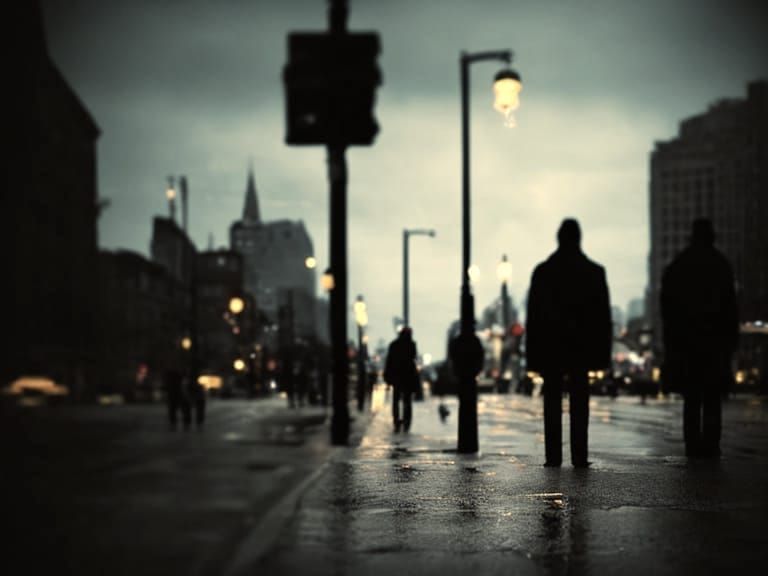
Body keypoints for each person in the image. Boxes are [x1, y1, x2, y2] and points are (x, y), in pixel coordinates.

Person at [526, 218, 612, 467]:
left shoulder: (542, 272)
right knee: (579, 401)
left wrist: (532, 357)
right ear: (578, 239)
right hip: (581, 347)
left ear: (559, 238)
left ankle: (553, 456)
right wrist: (602, 355)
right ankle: (579, 455)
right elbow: (603, 319)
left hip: (551, 347)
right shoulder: (594, 272)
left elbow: (534, 319)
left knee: (551, 401)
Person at [661, 218, 738, 458]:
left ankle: (692, 446)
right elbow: (730, 308)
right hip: (714, 344)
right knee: (712, 397)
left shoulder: (679, 265)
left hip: (686, 344)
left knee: (692, 398)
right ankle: (711, 446)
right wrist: (730, 342)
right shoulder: (721, 265)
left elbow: (667, 308)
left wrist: (671, 342)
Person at [384, 326, 419, 433]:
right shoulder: (412, 344)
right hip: (407, 376)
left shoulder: (394, 345)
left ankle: (396, 422)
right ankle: (406, 423)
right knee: (407, 401)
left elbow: (389, 361)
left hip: (397, 376)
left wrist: (388, 376)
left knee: (396, 400)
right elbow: (413, 358)